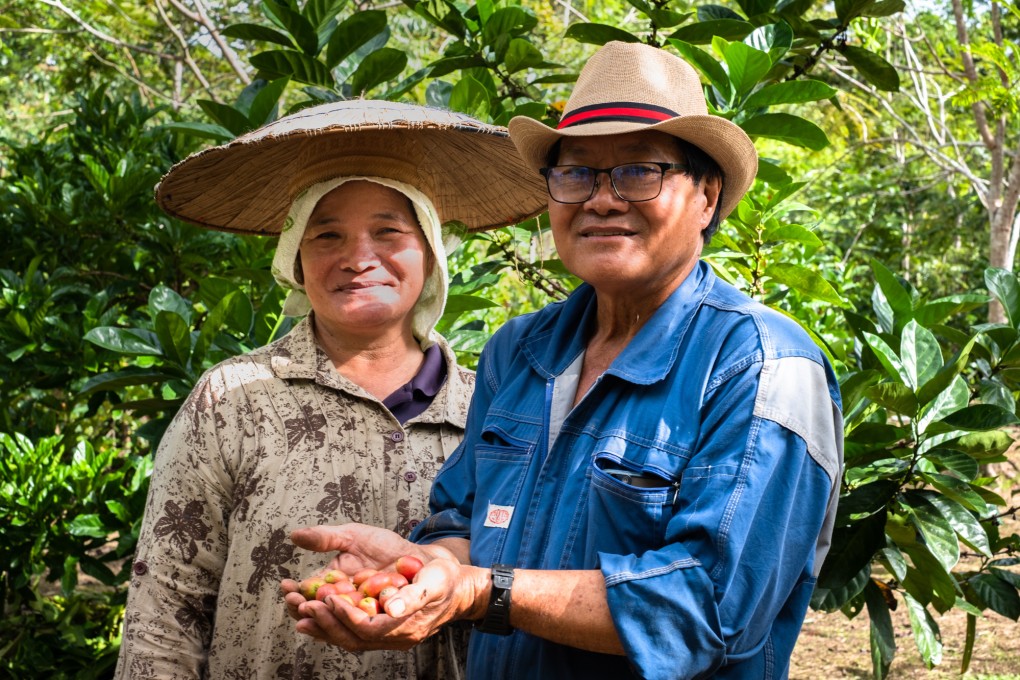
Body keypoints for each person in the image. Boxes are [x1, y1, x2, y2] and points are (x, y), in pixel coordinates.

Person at [284, 42, 843, 680]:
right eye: (575, 173)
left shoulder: (763, 368)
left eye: (640, 170)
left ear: (707, 197)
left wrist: (478, 591)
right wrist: (429, 568)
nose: (601, 200)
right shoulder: (518, 352)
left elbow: (707, 608)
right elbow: (463, 517)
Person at [114, 100, 546, 679]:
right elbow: (165, 610)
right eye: (327, 235)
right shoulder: (236, 398)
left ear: (430, 252)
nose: (358, 257)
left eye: (388, 231)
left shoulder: (490, 411)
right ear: (295, 258)